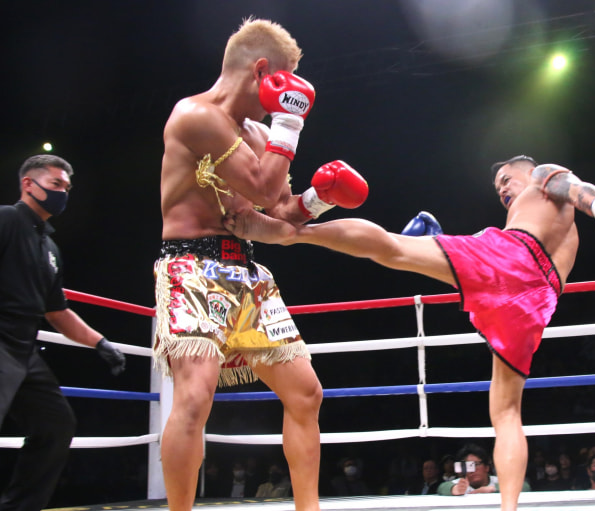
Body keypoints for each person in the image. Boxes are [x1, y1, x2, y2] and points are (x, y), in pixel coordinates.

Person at [224, 154, 595, 510]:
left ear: (529, 172)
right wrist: (441, 239)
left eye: (507, 180)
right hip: (535, 301)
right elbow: (490, 265)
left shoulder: (543, 178)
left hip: (515, 261)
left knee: (391, 248)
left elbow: (571, 187)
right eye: (498, 187)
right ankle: (508, 508)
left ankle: (291, 234)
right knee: (506, 412)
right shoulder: (545, 223)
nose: (503, 190)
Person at [154, 17, 368, 511]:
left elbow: (281, 209)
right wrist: (290, 123)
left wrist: (320, 197)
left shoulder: (255, 133)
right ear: (263, 71)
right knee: (194, 396)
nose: (286, 98)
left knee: (306, 393)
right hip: (192, 268)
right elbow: (262, 189)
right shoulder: (195, 115)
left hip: (246, 275)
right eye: (287, 80)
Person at [0, 154, 126, 511]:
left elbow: (56, 311)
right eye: (56, 184)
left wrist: (100, 342)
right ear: (28, 184)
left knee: (55, 425)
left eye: (67, 188)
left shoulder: (49, 247)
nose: (63, 193)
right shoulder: (6, 219)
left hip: (24, 349)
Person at [437, 442, 531, 495]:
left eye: (476, 464)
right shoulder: (461, 483)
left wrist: (492, 489)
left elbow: (525, 486)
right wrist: (455, 490)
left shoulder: (498, 482)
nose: (473, 470)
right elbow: (441, 488)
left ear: (486, 467)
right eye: (468, 466)